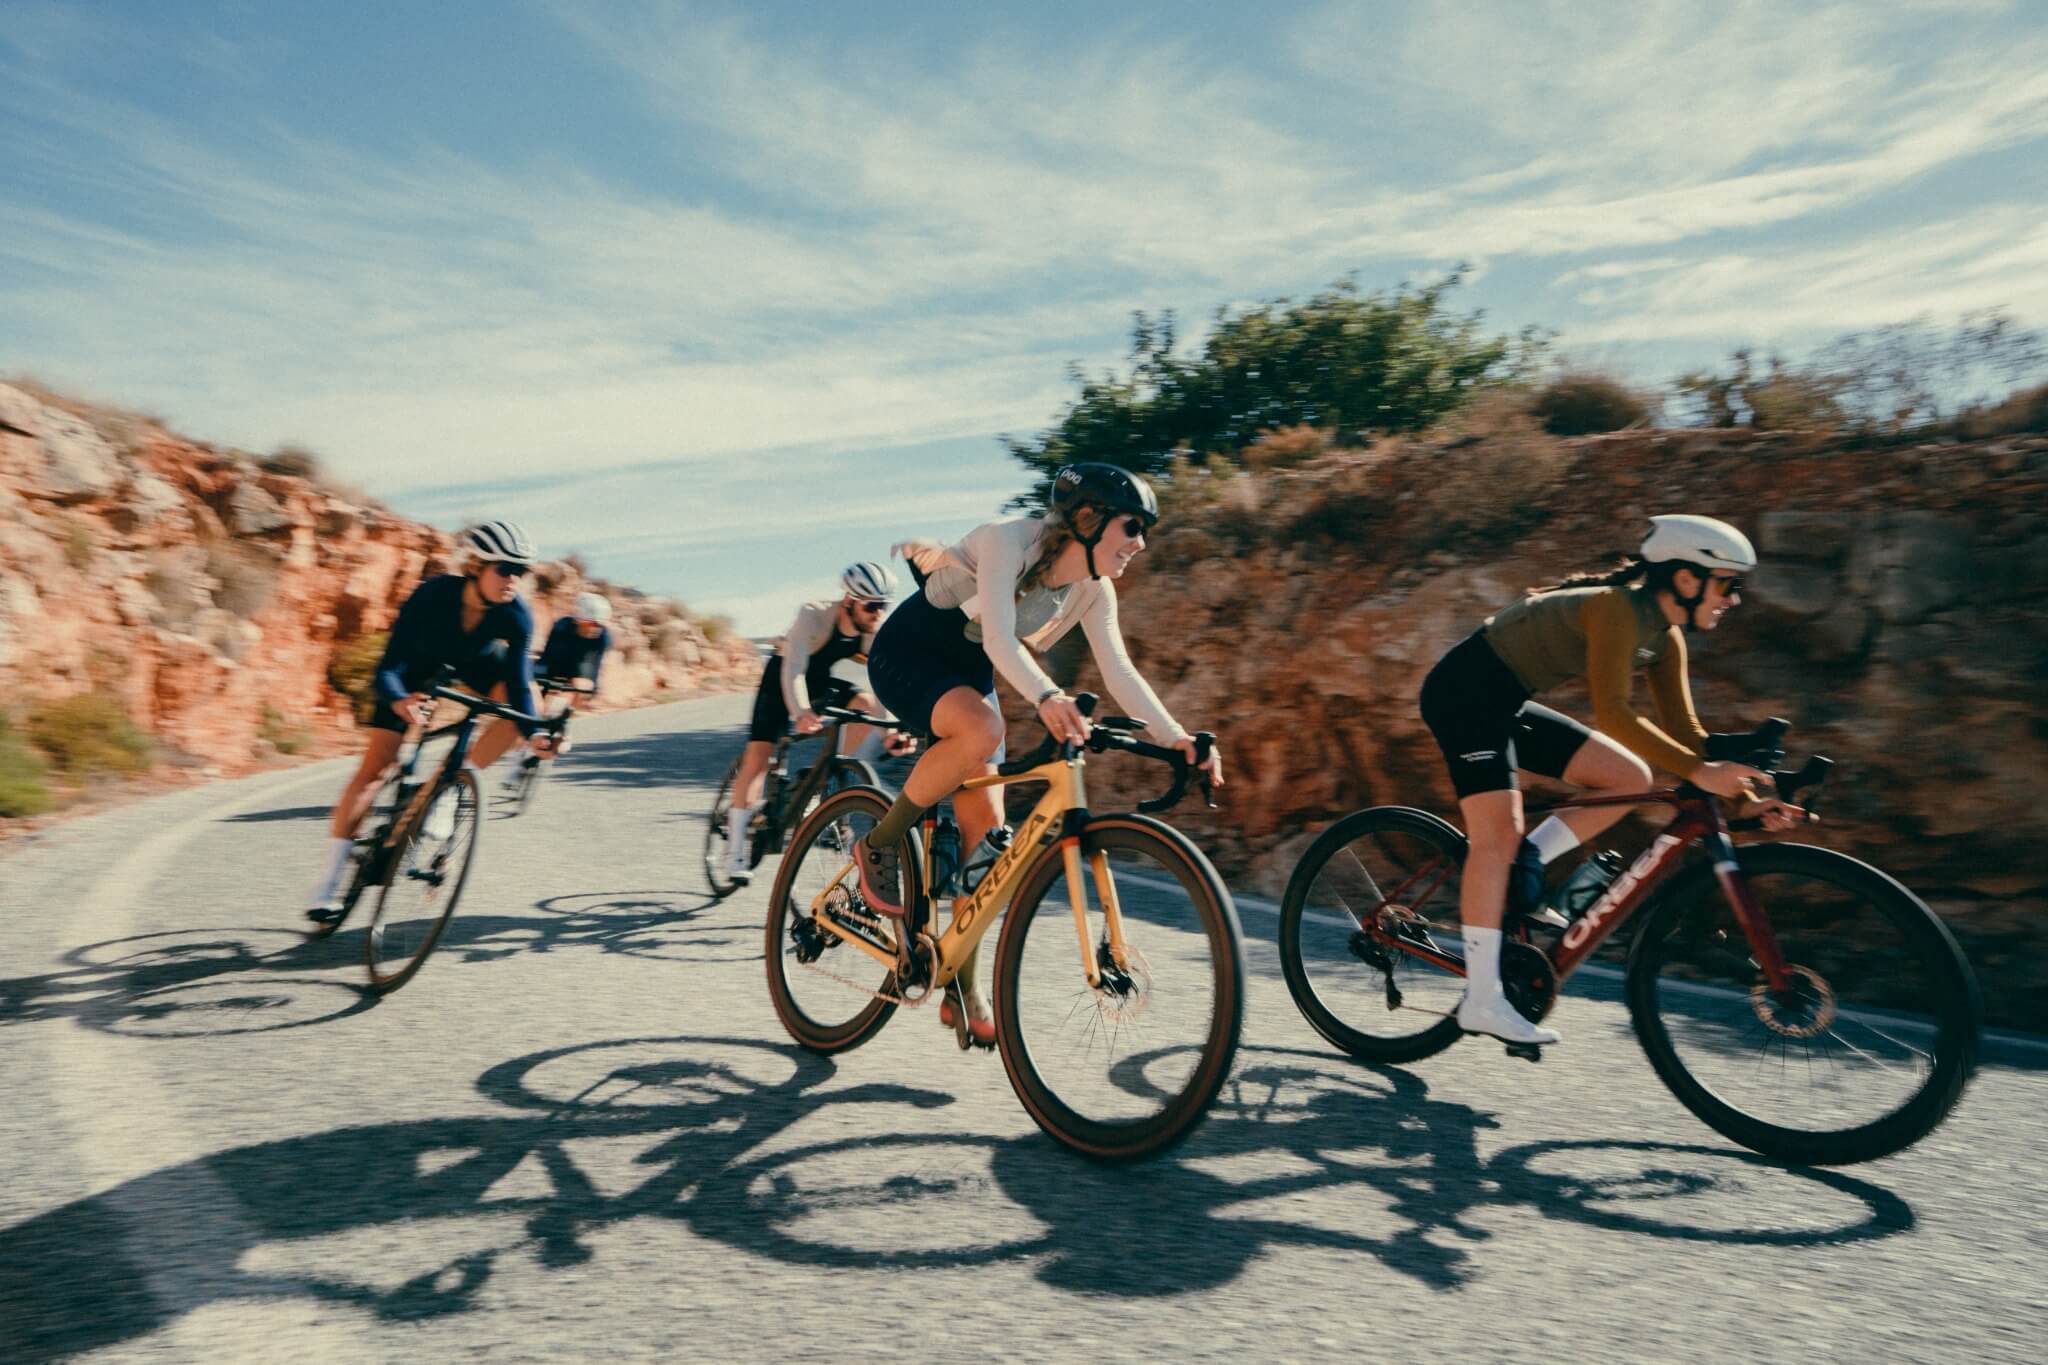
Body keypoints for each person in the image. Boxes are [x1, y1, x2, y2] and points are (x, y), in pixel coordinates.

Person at [854, 462, 1226, 1044]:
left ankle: (961, 985)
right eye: (1131, 527)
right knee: (977, 731)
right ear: (1088, 518)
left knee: (987, 846)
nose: (1140, 543)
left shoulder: (1094, 590)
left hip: (970, 672)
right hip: (910, 653)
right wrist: (1048, 695)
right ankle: (877, 844)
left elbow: (1119, 671)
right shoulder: (1012, 541)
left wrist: (1176, 736)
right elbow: (1002, 637)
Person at [1417, 513, 1803, 1047]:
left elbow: (1689, 737)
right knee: (1496, 835)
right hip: (1461, 693)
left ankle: (1525, 861)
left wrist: (1745, 799)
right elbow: (1616, 714)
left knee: (1628, 776)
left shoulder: (1667, 639)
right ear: (1687, 578)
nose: (1734, 600)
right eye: (1727, 585)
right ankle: (1482, 999)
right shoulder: (1616, 609)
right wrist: (1700, 772)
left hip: (1505, 702)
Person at [306, 520, 553, 924]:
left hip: (476, 664)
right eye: (505, 568)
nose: (514, 580)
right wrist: (402, 701)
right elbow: (389, 667)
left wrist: (536, 734)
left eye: (522, 571)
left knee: (531, 703)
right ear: (475, 565)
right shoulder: (432, 596)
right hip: (412, 670)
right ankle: (329, 881)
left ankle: (452, 789)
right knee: (376, 767)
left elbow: (519, 685)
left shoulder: (517, 616)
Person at [720, 562, 902, 886]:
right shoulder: (814, 615)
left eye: (884, 605)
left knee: (868, 704)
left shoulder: (873, 627)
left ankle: (836, 781)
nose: (878, 613)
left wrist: (893, 729)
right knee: (759, 759)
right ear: (849, 600)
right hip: (782, 679)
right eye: (872, 605)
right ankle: (734, 851)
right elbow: (794, 670)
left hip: (820, 681)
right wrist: (801, 711)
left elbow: (886, 679)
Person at [501, 590, 611, 790]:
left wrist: (591, 689)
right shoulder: (562, 626)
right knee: (533, 707)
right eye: (592, 623)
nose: (596, 628)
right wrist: (540, 684)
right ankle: (516, 761)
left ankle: (565, 723)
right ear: (579, 620)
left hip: (582, 665)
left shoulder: (603, 637)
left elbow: (595, 667)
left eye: (600, 624)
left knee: (582, 686)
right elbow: (548, 657)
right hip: (554, 662)